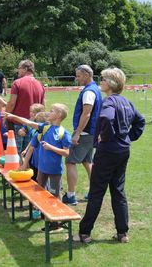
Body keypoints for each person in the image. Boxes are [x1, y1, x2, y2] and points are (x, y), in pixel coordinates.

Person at [78, 68, 145, 244]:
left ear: (111, 83)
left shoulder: (109, 102)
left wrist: (105, 138)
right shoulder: (126, 102)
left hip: (108, 152)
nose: (101, 81)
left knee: (97, 191)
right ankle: (122, 233)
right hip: (123, 151)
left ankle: (84, 233)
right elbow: (140, 121)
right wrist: (128, 138)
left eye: (103, 79)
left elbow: (107, 119)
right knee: (118, 191)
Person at [5, 103, 71, 232]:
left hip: (55, 171)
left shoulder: (64, 133)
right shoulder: (45, 128)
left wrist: (50, 147)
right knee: (40, 193)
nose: (49, 113)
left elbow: (66, 153)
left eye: (51, 111)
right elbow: (29, 123)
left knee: (55, 195)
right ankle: (46, 216)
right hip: (42, 169)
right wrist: (13, 116)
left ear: (58, 116)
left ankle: (57, 221)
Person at [62, 65, 102, 206]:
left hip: (84, 133)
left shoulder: (89, 92)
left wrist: (77, 133)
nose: (76, 79)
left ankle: (71, 195)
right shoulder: (95, 88)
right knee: (87, 161)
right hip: (91, 133)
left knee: (70, 161)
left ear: (86, 74)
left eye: (78, 76)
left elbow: (86, 113)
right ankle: (94, 192)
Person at [5, 60, 45, 153]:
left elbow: (11, 103)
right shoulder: (40, 85)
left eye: (19, 68)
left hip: (18, 122)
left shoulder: (17, 83)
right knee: (29, 152)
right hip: (33, 124)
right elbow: (43, 106)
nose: (18, 71)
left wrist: (6, 115)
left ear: (25, 69)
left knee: (16, 151)